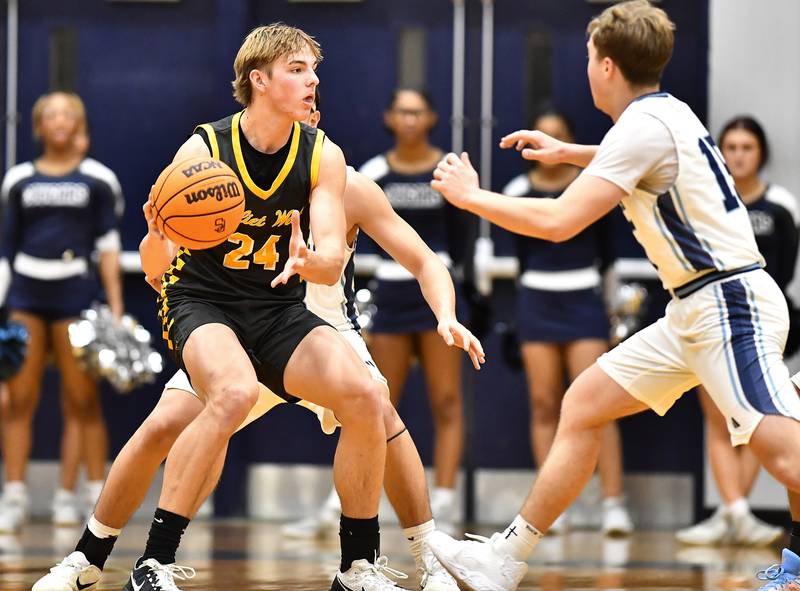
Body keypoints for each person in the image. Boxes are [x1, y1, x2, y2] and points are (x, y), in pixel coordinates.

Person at [31, 90, 484, 591]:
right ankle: (89, 560)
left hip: (320, 325)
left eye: (313, 107)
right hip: (238, 323)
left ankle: (420, 561)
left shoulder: (347, 185)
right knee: (165, 424)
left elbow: (423, 259)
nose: (307, 115)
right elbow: (162, 271)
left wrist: (446, 314)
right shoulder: (219, 178)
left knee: (375, 403)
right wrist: (159, 236)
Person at [422, 2, 800, 590]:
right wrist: (568, 153)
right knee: (584, 403)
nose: (587, 68)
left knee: (785, 453)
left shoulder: (644, 128)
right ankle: (503, 561)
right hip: (699, 308)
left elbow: (558, 220)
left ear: (605, 66)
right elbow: (633, 161)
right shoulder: (666, 116)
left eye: (589, 59)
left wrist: (472, 198)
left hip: (727, 305)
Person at [503, 107, 631, 536]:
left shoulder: (590, 187)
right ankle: (550, 512)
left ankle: (613, 503)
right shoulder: (518, 189)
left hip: (584, 302)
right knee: (543, 403)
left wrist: (611, 310)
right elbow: (521, 257)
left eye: (558, 136)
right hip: (537, 302)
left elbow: (609, 255)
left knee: (598, 404)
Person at [0, 91, 123, 531]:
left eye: (67, 113)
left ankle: (75, 496)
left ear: (79, 125)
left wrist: (116, 309)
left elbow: (109, 248)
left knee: (81, 399)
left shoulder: (98, 179)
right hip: (26, 298)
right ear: (37, 127)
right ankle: (13, 495)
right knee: (17, 399)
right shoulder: (17, 179)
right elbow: (6, 249)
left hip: (75, 294)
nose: (58, 120)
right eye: (49, 114)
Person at [676, 116, 798, 548]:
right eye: (730, 146)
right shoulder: (707, 198)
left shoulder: (781, 204)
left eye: (747, 146)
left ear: (760, 152)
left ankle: (736, 512)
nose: (739, 154)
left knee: (756, 420)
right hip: (714, 320)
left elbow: (784, 271)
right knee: (717, 419)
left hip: (765, 321)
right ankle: (735, 512)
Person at [358, 88, 469, 531]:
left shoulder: (446, 169)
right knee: (378, 400)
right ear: (389, 117)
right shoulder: (375, 172)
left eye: (417, 111)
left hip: (436, 294)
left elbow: (462, 234)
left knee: (446, 400)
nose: (408, 118)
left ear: (431, 117)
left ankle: (446, 496)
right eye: (401, 110)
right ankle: (357, 495)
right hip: (390, 296)